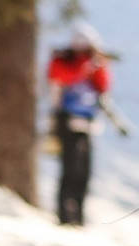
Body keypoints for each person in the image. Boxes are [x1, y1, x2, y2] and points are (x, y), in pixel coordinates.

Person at [47, 24, 121, 227]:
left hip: (88, 123)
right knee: (69, 169)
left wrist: (98, 66)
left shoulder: (96, 64)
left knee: (84, 172)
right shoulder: (63, 60)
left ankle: (78, 216)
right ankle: (64, 215)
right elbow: (58, 79)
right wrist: (84, 66)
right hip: (67, 121)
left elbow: (103, 87)